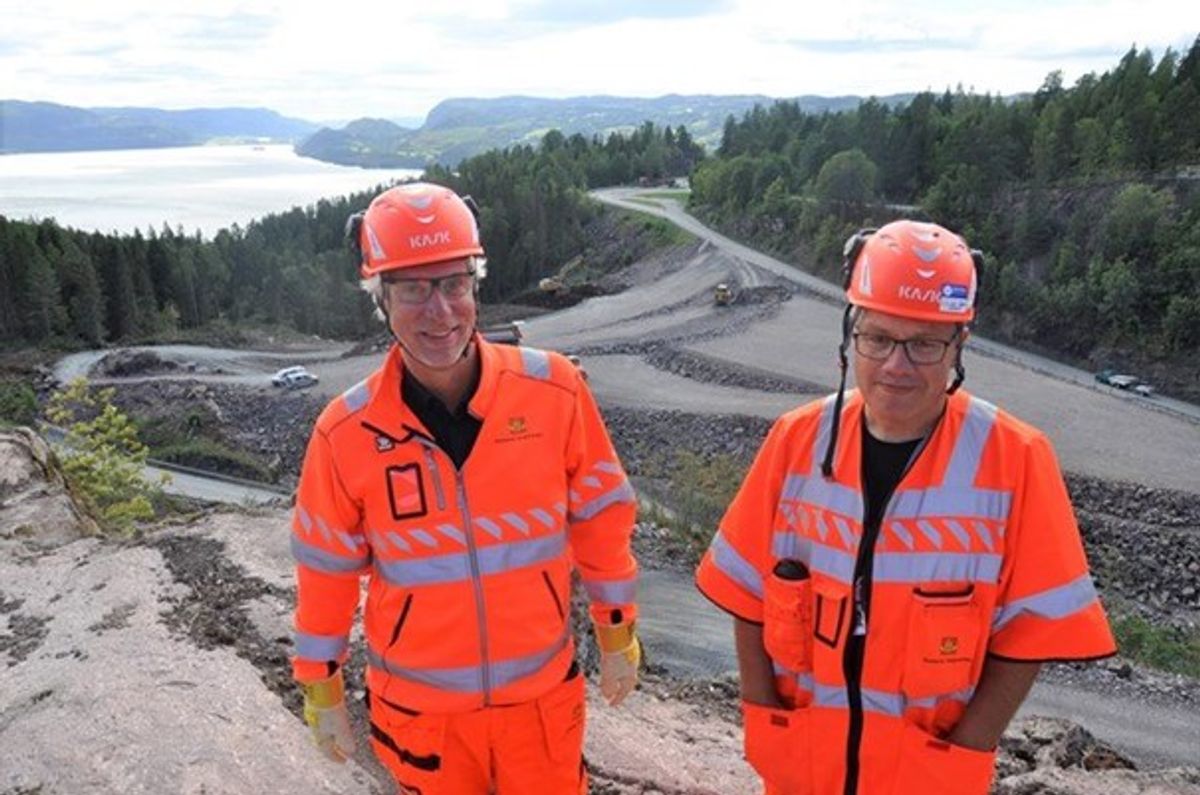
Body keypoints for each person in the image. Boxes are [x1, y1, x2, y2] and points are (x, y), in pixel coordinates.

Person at [695, 220, 1116, 795]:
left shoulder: (1016, 458)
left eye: (924, 344)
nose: (897, 365)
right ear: (852, 334)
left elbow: (1032, 632)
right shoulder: (796, 441)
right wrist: (763, 714)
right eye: (879, 338)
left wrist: (970, 746)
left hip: (925, 774)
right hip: (800, 765)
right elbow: (747, 594)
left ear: (959, 345)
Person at [290, 182, 641, 794]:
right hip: (425, 722)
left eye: (454, 284)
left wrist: (617, 629)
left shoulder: (554, 391)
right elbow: (326, 573)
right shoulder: (345, 433)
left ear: (476, 284)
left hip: (540, 707)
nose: (441, 312)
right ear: (381, 299)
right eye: (413, 290)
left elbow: (602, 520)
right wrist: (321, 687)